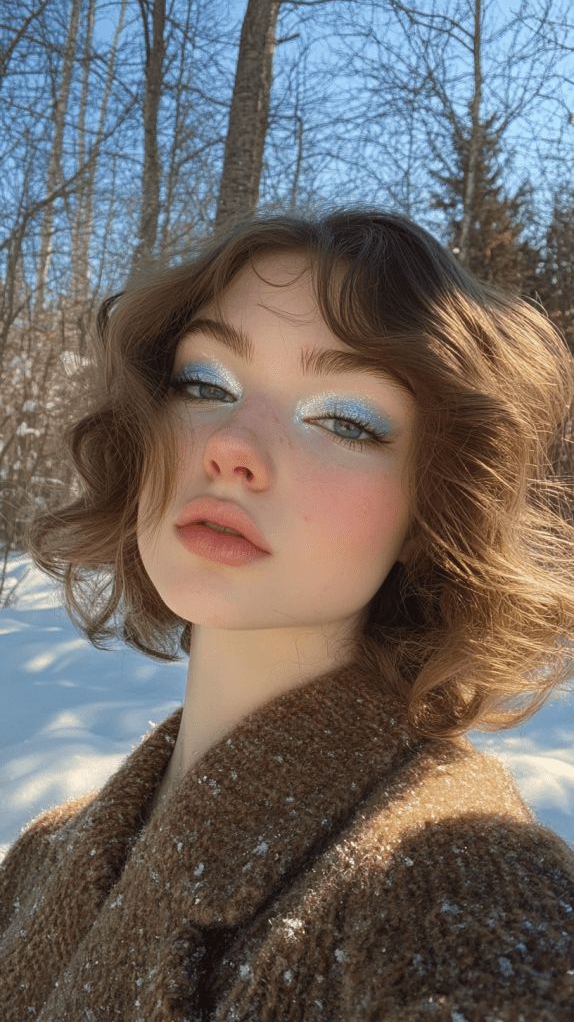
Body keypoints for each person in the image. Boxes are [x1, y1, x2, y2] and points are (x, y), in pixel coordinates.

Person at [1, 205, 573, 1021]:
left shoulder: (456, 877)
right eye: (205, 383)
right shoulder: (40, 857)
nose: (231, 444)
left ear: (431, 513)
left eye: (345, 419)